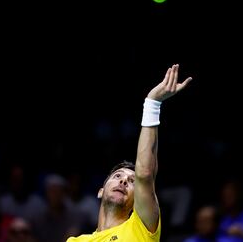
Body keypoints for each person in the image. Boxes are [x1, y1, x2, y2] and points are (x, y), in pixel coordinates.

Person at [66, 64, 192, 242]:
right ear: (100, 191)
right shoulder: (75, 241)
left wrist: (152, 103)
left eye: (132, 181)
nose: (123, 180)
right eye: (117, 176)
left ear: (138, 198)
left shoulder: (141, 227)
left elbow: (145, 173)